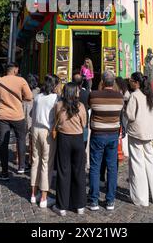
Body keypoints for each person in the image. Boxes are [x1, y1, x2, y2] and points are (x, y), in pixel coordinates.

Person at [88, 70, 124, 212]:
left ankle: (94, 200)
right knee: (112, 167)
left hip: (97, 134)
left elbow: (90, 108)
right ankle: (110, 201)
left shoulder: (94, 95)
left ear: (102, 82)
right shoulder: (119, 97)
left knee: (95, 167)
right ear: (113, 82)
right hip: (113, 134)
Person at [0, 63, 33, 181]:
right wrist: (19, 98)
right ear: (15, 70)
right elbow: (29, 97)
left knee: (3, 142)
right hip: (17, 115)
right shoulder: (21, 81)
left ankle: (4, 172)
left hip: (2, 115)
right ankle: (21, 167)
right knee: (21, 139)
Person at [126, 71, 153, 207]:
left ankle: (141, 197)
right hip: (148, 132)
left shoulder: (134, 95)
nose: (129, 82)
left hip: (136, 132)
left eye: (131, 80)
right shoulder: (150, 95)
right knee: (150, 163)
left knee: (137, 164)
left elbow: (130, 115)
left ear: (136, 82)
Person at [52, 82, 87, 216]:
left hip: (64, 139)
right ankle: (80, 205)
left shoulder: (59, 105)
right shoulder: (81, 106)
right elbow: (84, 124)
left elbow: (56, 120)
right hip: (77, 139)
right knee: (79, 172)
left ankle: (62, 206)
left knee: (63, 171)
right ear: (75, 92)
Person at [30, 74, 58, 208]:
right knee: (46, 163)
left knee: (35, 161)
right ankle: (44, 198)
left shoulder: (37, 97)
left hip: (35, 129)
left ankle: (33, 194)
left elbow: (32, 114)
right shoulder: (55, 98)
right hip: (47, 132)